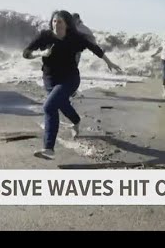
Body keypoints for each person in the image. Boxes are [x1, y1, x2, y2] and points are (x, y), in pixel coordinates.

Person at [23, 10, 122, 160]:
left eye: (60, 21)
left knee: (49, 107)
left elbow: (95, 48)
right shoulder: (45, 36)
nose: (56, 24)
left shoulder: (75, 38)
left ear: (67, 24)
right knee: (61, 104)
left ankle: (49, 148)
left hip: (70, 79)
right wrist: (40, 54)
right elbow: (26, 52)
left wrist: (110, 63)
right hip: (49, 79)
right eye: (54, 21)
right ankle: (76, 121)